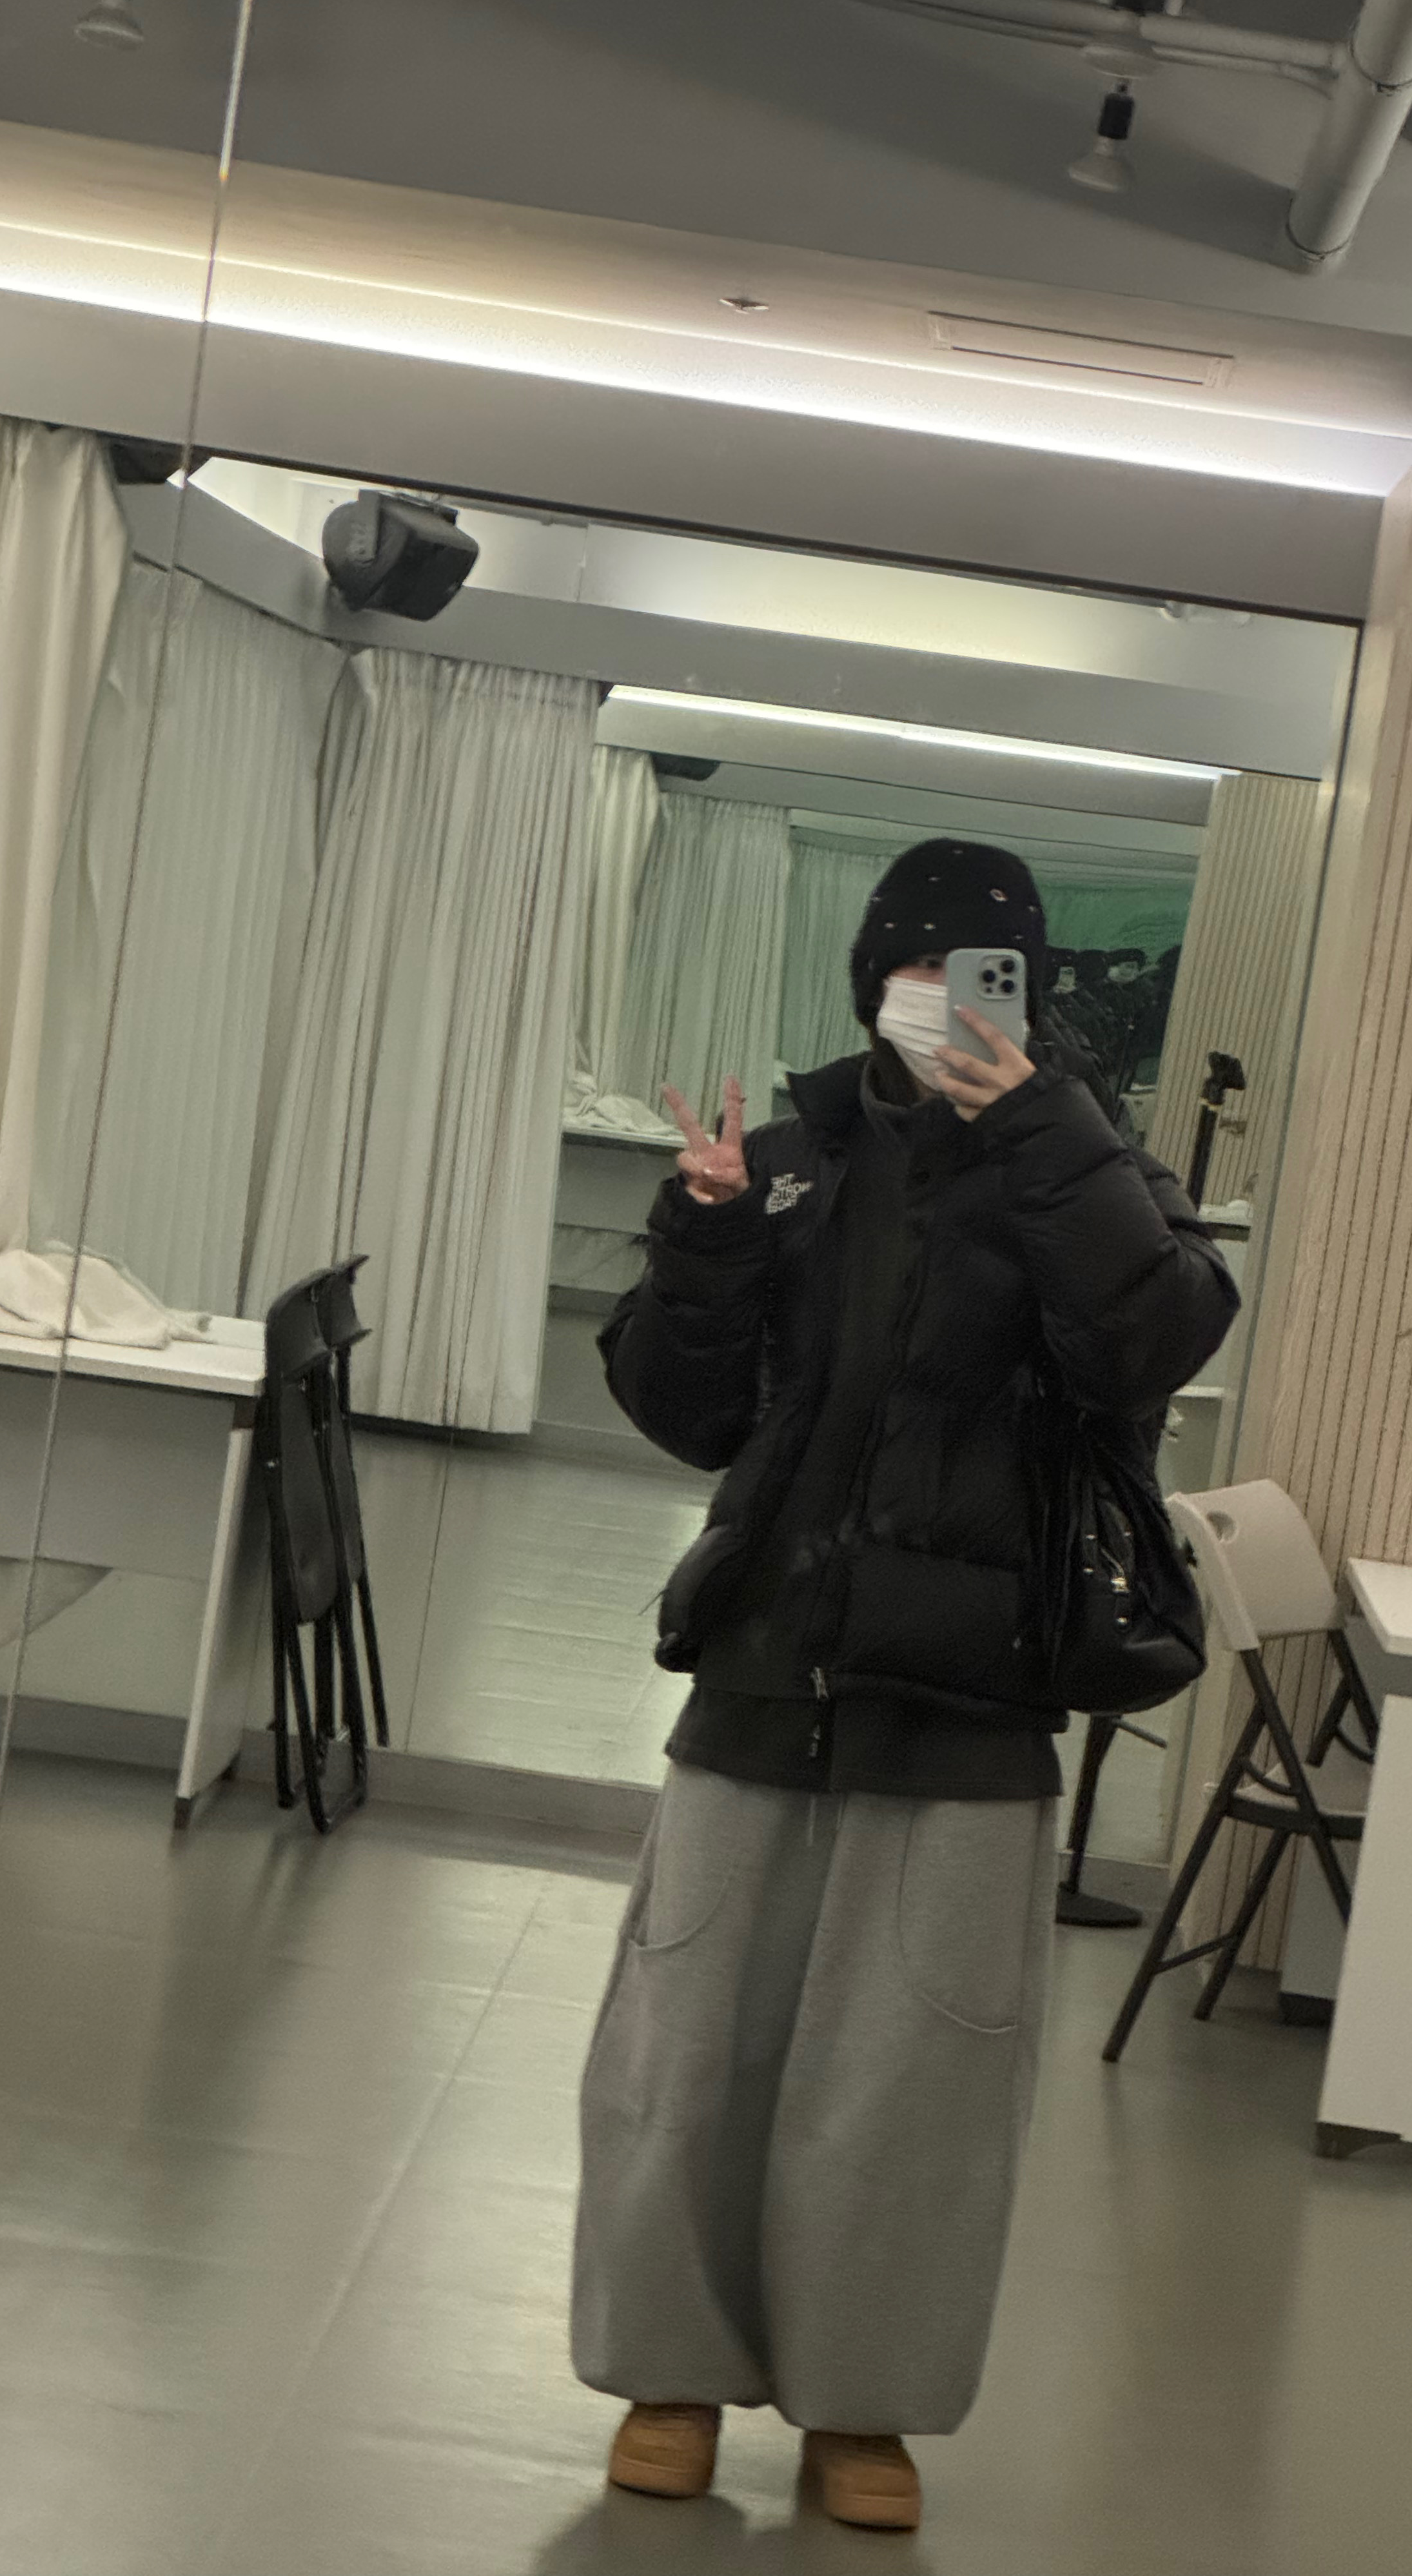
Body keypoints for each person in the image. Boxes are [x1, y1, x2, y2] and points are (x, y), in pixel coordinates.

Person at [572, 839, 1237, 2533]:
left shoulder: (1097, 1166)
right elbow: (691, 1416)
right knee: (685, 2051)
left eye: (974, 973)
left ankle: (862, 2409)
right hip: (762, 1667)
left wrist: (1043, 1133)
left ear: (1024, 991)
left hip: (972, 1700)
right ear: (870, 980)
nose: (937, 1002)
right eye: (910, 971)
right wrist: (705, 1240)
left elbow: (1154, 1344)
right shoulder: (791, 1157)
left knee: (914, 2086)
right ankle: (667, 2372)